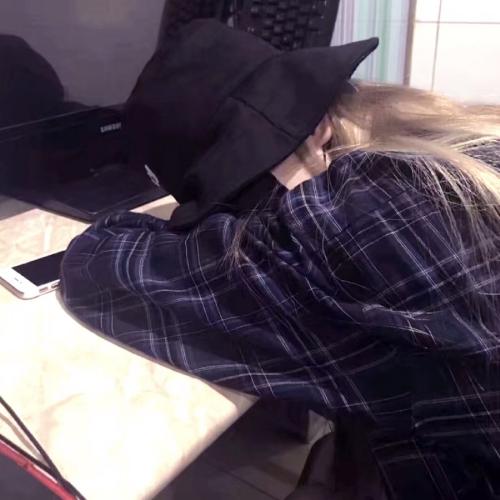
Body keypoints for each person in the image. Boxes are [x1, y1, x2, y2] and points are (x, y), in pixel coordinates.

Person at [61, 20, 500, 499]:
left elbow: (97, 266)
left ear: (314, 135)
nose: (256, 221)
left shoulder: (368, 216)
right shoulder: (460, 157)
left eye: (242, 196)